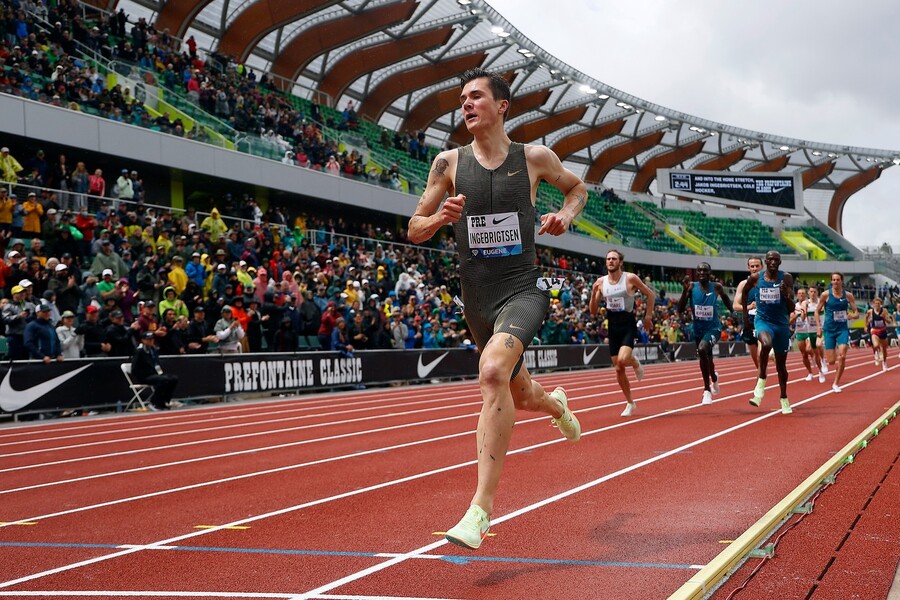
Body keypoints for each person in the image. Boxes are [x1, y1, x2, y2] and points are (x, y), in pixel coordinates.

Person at [407, 68, 583, 550]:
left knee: (491, 374)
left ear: (502, 106)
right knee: (518, 392)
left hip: (522, 291)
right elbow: (413, 227)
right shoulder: (447, 164)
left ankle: (479, 512)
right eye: (462, 98)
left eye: (476, 96)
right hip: (477, 301)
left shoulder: (534, 157)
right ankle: (556, 406)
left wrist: (564, 216)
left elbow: (577, 188)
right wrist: (439, 217)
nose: (465, 104)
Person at [589, 249, 656, 417]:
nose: (611, 261)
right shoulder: (601, 282)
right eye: (608, 259)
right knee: (618, 368)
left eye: (614, 259)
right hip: (612, 326)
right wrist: (593, 292)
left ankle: (635, 363)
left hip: (628, 324)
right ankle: (630, 402)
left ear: (620, 262)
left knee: (623, 359)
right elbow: (593, 311)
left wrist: (648, 317)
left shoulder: (630, 278)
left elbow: (650, 294)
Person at [741, 251, 794, 414]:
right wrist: (745, 317)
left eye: (775, 260)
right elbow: (744, 293)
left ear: (780, 262)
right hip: (763, 321)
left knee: (781, 367)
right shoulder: (756, 278)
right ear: (766, 261)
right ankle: (762, 380)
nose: (772, 262)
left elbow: (791, 307)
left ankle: (784, 398)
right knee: (765, 343)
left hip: (781, 324)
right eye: (770, 259)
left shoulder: (786, 278)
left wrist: (785, 295)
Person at [676, 262, 731, 405]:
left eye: (704, 270)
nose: (701, 273)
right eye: (699, 270)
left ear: (709, 273)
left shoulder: (716, 287)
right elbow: (680, 309)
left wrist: (733, 311)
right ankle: (714, 377)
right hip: (698, 330)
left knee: (702, 349)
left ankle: (706, 390)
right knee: (707, 358)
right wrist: (684, 291)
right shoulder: (692, 287)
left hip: (713, 328)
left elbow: (725, 298)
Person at [816, 273, 860, 392]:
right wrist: (819, 327)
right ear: (831, 281)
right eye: (833, 280)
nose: (835, 282)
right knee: (831, 361)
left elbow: (857, 313)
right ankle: (825, 359)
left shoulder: (848, 295)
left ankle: (835, 383)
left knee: (843, 355)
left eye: (838, 280)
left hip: (842, 329)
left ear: (842, 281)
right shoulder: (825, 295)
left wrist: (852, 316)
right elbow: (817, 311)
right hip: (829, 330)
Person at [130, 331, 178, 411]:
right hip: (144, 376)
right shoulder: (140, 351)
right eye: (148, 339)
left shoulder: (153, 350)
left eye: (152, 339)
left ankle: (164, 401)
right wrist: (143, 372)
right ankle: (154, 402)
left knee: (173, 378)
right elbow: (134, 368)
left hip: (154, 374)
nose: (151, 341)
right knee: (163, 380)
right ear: (143, 340)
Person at [733, 256, 763, 371]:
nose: (755, 268)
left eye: (757, 266)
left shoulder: (767, 283)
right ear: (748, 268)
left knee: (762, 353)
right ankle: (761, 377)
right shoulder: (743, 284)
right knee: (756, 359)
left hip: (764, 320)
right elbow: (735, 306)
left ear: (762, 266)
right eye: (752, 266)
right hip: (749, 322)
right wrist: (749, 306)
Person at [793, 288, 825, 383]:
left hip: (809, 331)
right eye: (799, 293)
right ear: (797, 295)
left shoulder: (808, 303)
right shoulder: (796, 306)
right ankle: (810, 372)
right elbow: (795, 318)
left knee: (809, 349)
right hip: (799, 332)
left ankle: (820, 369)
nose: (801, 295)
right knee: (804, 354)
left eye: (803, 293)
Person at [865, 297, 892, 372]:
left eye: (878, 304)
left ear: (881, 304)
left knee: (884, 348)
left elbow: (889, 321)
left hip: (883, 331)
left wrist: (885, 318)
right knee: (876, 345)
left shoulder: (884, 311)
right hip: (874, 330)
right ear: (873, 304)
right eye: (876, 303)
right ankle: (876, 353)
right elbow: (866, 318)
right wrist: (866, 325)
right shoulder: (870, 311)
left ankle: (884, 363)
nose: (877, 305)